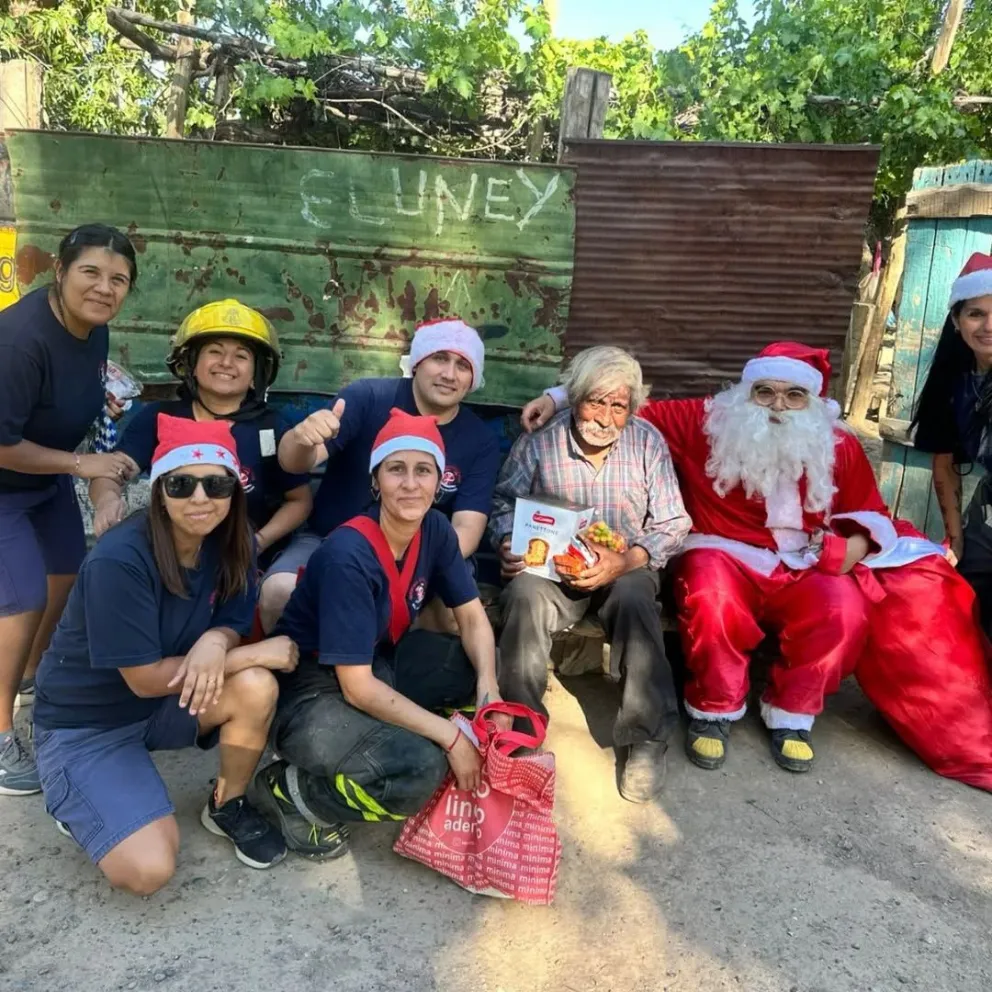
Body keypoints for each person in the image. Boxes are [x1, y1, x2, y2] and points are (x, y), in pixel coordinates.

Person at [522, 342, 992, 789]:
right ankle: (712, 706)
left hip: (803, 564)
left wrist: (844, 551)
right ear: (746, 393)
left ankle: (792, 711)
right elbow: (624, 399)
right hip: (722, 551)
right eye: (765, 392)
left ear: (813, 398)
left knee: (845, 608)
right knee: (709, 592)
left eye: (794, 395)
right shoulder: (709, 421)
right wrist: (558, 396)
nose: (778, 405)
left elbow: (867, 515)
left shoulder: (838, 445)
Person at [33, 415, 295, 894]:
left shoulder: (231, 544)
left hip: (159, 708)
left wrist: (218, 643)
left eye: (216, 484)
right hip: (87, 726)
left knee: (256, 688)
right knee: (149, 871)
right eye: (181, 484)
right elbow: (145, 679)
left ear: (234, 492)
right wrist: (252, 653)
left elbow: (233, 622)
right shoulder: (121, 559)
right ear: (159, 491)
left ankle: (226, 804)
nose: (200, 498)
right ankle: (77, 802)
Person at [250, 408, 503, 860]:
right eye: (396, 470)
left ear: (440, 480)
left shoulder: (436, 530)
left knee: (469, 670)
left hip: (375, 663)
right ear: (375, 480)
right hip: (312, 694)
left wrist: (490, 688)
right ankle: (292, 791)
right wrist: (450, 738)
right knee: (416, 771)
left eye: (423, 470)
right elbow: (357, 686)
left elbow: (470, 616)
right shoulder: (350, 553)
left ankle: (398, 733)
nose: (410, 484)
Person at [490, 347, 691, 803]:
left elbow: (673, 522)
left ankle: (644, 737)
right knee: (522, 595)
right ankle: (522, 730)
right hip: (551, 570)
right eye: (594, 401)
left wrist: (628, 559)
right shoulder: (541, 441)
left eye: (617, 405)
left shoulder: (647, 442)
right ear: (573, 399)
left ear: (631, 408)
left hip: (624, 568)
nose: (604, 416)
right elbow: (502, 504)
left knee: (637, 599)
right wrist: (506, 541)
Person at [0, 224, 139, 796]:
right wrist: (85, 469)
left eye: (118, 279)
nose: (104, 288)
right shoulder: (19, 342)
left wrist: (103, 478)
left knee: (65, 578)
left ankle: (30, 677)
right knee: (22, 597)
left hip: (44, 480)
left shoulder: (93, 331)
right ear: (58, 271)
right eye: (90, 272)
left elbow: (88, 419)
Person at [262, 317, 500, 632]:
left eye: (463, 365)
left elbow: (466, 530)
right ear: (416, 363)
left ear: (473, 378)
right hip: (329, 539)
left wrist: (402, 568)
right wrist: (300, 438)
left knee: (460, 618)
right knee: (278, 594)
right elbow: (295, 463)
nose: (449, 374)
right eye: (439, 358)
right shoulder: (369, 396)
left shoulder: (478, 439)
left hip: (422, 559)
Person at [89, 299, 312, 570]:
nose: (227, 363)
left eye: (241, 356)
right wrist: (107, 500)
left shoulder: (272, 427)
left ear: (256, 374)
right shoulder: (160, 418)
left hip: (244, 567)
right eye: (215, 352)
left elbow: (299, 501)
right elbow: (112, 473)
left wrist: (257, 543)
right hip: (170, 562)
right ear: (191, 363)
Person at [913, 251, 992, 633]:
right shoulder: (953, 383)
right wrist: (955, 540)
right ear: (957, 321)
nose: (988, 326)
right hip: (989, 513)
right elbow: (944, 463)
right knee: (971, 605)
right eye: (976, 313)